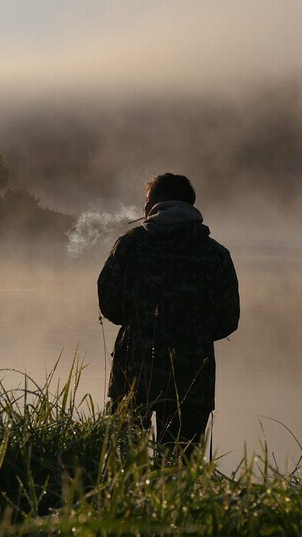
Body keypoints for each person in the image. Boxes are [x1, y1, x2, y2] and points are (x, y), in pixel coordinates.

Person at [97, 172, 240, 459]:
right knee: (180, 469)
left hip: (133, 373)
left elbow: (108, 301)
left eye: (146, 202)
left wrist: (137, 323)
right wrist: (193, 335)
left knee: (122, 463)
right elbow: (228, 318)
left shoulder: (131, 244)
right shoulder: (216, 254)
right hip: (192, 380)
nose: (143, 209)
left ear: (159, 201)